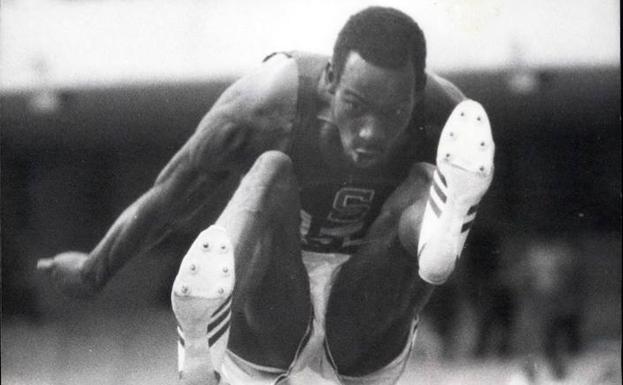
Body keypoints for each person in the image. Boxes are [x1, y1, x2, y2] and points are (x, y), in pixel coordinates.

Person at [37, 6, 495, 384]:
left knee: (425, 178)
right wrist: (94, 270)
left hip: (363, 310)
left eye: (394, 111)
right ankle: (209, 328)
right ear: (331, 80)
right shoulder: (263, 106)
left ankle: (436, 240)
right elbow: (171, 194)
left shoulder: (447, 116)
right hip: (276, 298)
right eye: (355, 107)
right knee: (270, 170)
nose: (371, 132)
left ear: (416, 95)